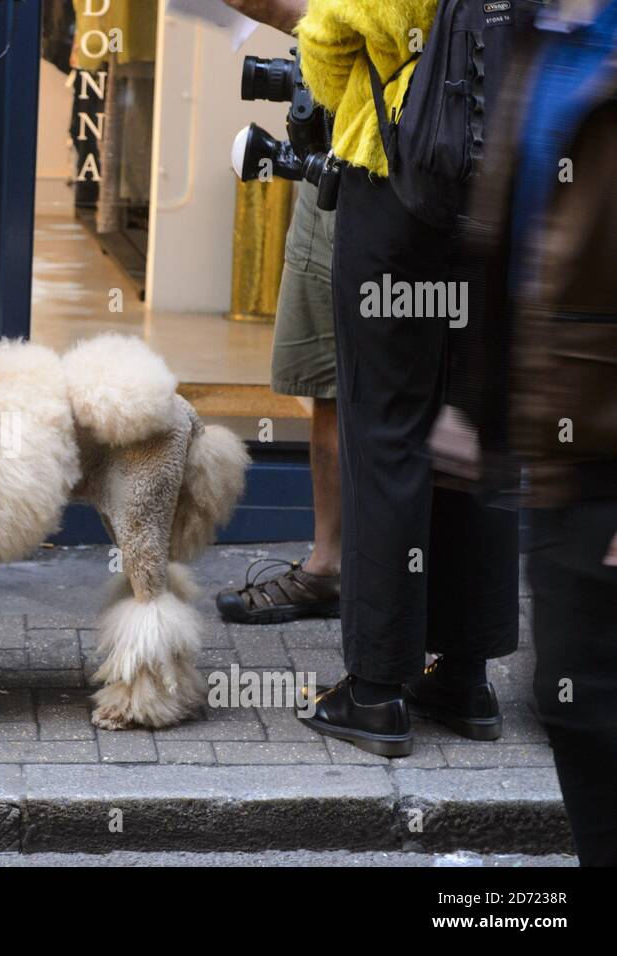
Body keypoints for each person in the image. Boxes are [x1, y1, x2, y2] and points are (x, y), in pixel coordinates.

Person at [294, 0, 521, 757]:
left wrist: (366, 87)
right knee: (473, 426)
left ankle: (377, 693)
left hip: (397, 183)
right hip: (498, 196)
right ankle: (467, 680)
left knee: (388, 429)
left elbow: (328, 35)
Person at [463, 0, 617, 866]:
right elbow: (516, 237)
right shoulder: (542, 33)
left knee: (592, 704)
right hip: (561, 441)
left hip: (605, 444)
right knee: (573, 703)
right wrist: (481, 414)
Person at [217, 0, 342, 625]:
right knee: (328, 389)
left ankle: (391, 586)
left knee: (391, 393)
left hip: (390, 161)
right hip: (333, 158)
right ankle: (333, 567)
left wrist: (303, 14)